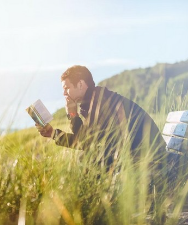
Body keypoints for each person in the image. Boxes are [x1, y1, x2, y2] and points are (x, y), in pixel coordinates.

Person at [35, 65, 178, 223]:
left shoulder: (100, 102)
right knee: (88, 159)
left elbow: (84, 142)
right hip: (135, 153)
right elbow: (86, 141)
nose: (64, 93)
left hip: (147, 157)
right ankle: (98, 213)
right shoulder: (94, 101)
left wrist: (73, 114)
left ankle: (98, 214)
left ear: (81, 84)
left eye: (67, 87)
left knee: (88, 160)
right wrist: (53, 133)